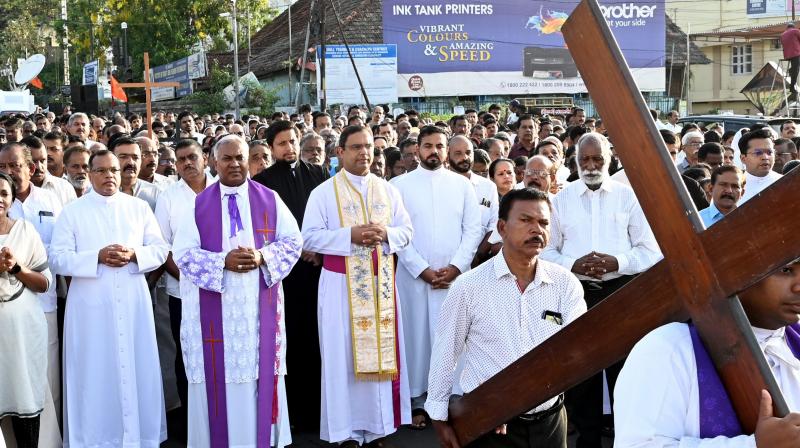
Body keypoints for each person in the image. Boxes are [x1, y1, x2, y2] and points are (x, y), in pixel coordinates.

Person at [428, 188, 586, 448]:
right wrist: (439, 417)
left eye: (544, 222)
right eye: (526, 220)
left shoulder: (564, 284)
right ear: (502, 227)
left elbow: (575, 349)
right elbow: (446, 351)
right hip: (490, 423)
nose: (537, 229)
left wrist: (518, 397)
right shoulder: (470, 286)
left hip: (549, 420)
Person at [172, 135, 302, 448]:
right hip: (214, 318)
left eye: (239, 157)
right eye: (226, 158)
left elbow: (293, 242)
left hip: (258, 315)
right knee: (216, 382)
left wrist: (262, 256)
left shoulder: (269, 198)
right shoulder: (198, 205)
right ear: (213, 162)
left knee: (259, 377)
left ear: (250, 159)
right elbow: (183, 254)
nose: (234, 164)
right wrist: (222, 262)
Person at [540, 132, 662, 448]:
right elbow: (546, 252)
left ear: (609, 160)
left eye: (597, 159)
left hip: (621, 294)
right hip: (576, 294)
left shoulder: (628, 197)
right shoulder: (560, 201)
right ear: (576, 162)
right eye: (585, 160)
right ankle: (588, 441)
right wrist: (573, 264)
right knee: (583, 374)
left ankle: (626, 439)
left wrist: (616, 262)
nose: (591, 166)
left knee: (624, 372)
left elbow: (651, 251)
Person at [301, 125, 414, 446]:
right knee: (342, 359)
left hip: (381, 288)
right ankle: (345, 431)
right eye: (356, 147)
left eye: (369, 147)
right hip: (339, 287)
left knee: (379, 357)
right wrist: (348, 236)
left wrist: (387, 234)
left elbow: (406, 231)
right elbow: (307, 237)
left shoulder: (387, 190)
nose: (365, 153)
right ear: (340, 152)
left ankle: (378, 427)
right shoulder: (323, 192)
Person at [50, 149, 169, 447]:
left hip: (132, 302)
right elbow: (57, 258)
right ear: (89, 175)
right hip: (90, 307)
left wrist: (133, 255)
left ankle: (138, 437)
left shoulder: (138, 208)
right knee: (94, 371)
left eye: (114, 170)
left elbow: (159, 250)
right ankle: (94, 439)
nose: (109, 176)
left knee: (136, 364)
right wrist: (97, 257)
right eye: (101, 171)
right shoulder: (73, 211)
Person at [614, 258, 800, 447]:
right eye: (786, 270)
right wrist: (754, 445)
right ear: (735, 271)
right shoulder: (669, 348)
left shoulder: (794, 339)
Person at [392, 125, 483, 428]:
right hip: (414, 278)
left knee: (455, 338)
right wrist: (423, 270)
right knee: (415, 339)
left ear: (446, 150)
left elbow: (473, 231)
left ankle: (452, 399)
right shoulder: (398, 186)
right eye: (428, 145)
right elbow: (398, 236)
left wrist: (456, 267)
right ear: (417, 149)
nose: (434, 151)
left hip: (455, 278)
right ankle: (417, 401)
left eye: (439, 146)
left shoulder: (462, 186)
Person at [252, 119, 328, 432]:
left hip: (318, 271)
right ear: (271, 148)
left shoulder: (319, 174)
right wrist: (297, 251)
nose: (290, 147)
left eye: (293, 141)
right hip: (284, 276)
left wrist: (318, 249)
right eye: (282, 143)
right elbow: (264, 231)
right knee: (290, 341)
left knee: (319, 339)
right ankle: (293, 414)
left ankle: (320, 410)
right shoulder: (264, 183)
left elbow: (328, 218)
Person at [0, 171, 52, 448]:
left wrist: (16, 268)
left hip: (23, 330)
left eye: (4, 193)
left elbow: (44, 284)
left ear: (11, 198)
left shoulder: (25, 230)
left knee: (25, 395)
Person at [448, 135, 499, 267]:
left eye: (468, 153)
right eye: (458, 153)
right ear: (447, 155)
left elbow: (493, 225)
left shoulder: (488, 187)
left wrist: (478, 256)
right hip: (447, 260)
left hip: (479, 261)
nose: (464, 157)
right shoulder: (440, 185)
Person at [23, 136, 77, 207]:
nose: (39, 167)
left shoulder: (64, 188)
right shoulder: (10, 191)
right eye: (33, 161)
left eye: (42, 161)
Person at [739, 129, 782, 203]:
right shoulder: (735, 187)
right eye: (758, 153)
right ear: (743, 158)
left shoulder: (784, 182)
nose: (765, 157)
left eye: (769, 152)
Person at [782, 23, 800, 97]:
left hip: (787, 55)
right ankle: (792, 87)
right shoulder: (796, 31)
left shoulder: (783, 34)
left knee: (796, 67)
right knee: (796, 69)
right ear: (793, 27)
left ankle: (791, 70)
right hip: (795, 53)